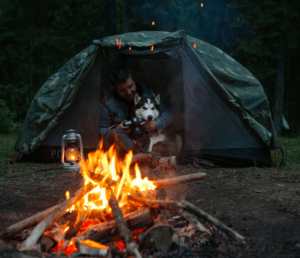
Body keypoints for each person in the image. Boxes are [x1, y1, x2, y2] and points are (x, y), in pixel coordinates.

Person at [99, 66, 172, 157]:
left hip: (143, 139)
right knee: (113, 133)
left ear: (134, 81)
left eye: (130, 86)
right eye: (122, 90)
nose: (129, 92)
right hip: (121, 144)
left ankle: (142, 155)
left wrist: (156, 124)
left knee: (163, 140)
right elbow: (101, 131)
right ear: (116, 89)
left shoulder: (147, 95)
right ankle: (142, 156)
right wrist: (117, 128)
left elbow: (168, 115)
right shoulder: (108, 103)